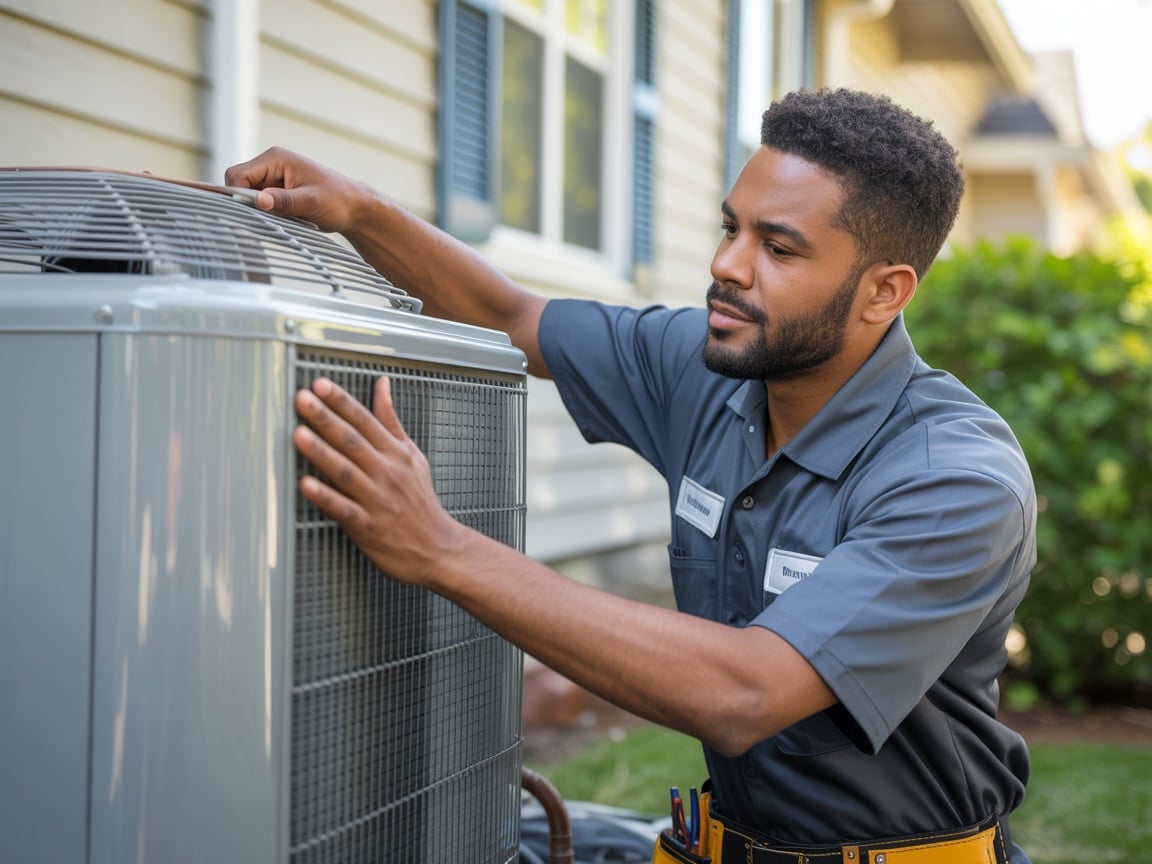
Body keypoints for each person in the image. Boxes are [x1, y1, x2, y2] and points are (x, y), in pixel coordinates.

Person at [226, 87, 1036, 864]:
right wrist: (359, 211)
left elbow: (746, 693)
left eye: (778, 247)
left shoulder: (954, 480)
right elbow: (511, 316)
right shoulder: (709, 369)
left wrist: (439, 548)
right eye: (731, 229)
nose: (727, 265)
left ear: (883, 293)